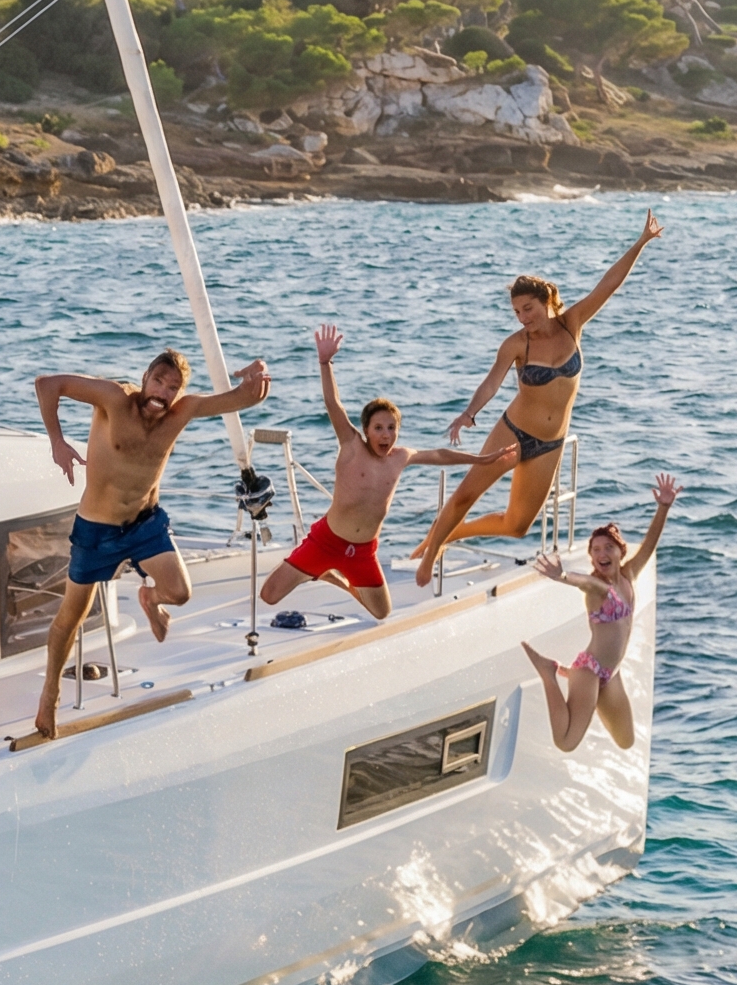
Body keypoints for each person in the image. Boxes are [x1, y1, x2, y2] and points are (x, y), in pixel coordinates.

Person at [410, 210, 664, 586]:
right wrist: (469, 413)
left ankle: (447, 533)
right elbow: (492, 383)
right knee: (465, 496)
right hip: (513, 432)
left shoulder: (572, 323)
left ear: (547, 300)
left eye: (527, 308)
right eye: (516, 312)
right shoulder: (516, 344)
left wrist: (641, 242)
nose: (522, 317)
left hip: (549, 443)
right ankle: (429, 554)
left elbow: (607, 285)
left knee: (516, 526)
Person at [32, 348, 273, 736]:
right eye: (158, 381)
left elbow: (246, 398)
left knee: (179, 592)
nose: (163, 392)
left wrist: (257, 375)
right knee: (69, 620)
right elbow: (48, 385)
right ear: (145, 377)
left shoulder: (183, 411)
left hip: (145, 525)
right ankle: (50, 693)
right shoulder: (113, 399)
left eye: (173, 387)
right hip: (97, 530)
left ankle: (151, 598)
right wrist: (57, 441)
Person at [259, 323, 510, 620]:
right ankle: (322, 569)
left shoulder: (400, 457)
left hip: (364, 550)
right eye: (378, 428)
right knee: (269, 596)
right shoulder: (352, 446)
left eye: (391, 428)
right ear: (366, 430)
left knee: (381, 612)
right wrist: (325, 362)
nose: (385, 435)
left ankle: (331, 575)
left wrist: (482, 460)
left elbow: (440, 455)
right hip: (327, 541)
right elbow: (332, 403)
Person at [521, 472, 679, 752]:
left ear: (620, 552)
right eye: (595, 550)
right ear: (592, 557)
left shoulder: (628, 575)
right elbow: (584, 581)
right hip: (590, 671)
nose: (601, 553)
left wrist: (663, 507)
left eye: (608, 548)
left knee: (626, 740)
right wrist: (562, 576)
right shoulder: (599, 588)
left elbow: (650, 544)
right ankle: (549, 673)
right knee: (566, 742)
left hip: (611, 672)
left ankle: (583, 697)